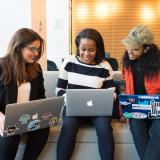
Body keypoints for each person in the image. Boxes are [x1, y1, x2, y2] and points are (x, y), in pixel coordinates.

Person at [56, 28, 115, 160]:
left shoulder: (105, 66)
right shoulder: (69, 62)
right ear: (78, 47)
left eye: (91, 50)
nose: (86, 54)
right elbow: (59, 89)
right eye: (83, 49)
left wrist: (110, 97)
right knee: (68, 126)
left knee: (105, 128)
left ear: (98, 49)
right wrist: (68, 99)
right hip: (73, 109)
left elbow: (111, 91)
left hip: (98, 110)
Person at [0, 28, 50, 160]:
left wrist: (43, 111)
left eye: (38, 49)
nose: (36, 53)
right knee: (11, 134)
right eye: (32, 49)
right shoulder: (1, 66)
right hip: (4, 119)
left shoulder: (36, 68)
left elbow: (41, 96)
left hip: (27, 118)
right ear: (18, 47)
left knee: (44, 129)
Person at [121, 25, 160, 160]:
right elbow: (127, 89)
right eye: (128, 46)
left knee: (158, 131)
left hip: (158, 108)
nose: (130, 51)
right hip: (138, 108)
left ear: (146, 49)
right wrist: (125, 108)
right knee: (136, 127)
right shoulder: (127, 63)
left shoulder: (158, 64)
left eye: (135, 49)